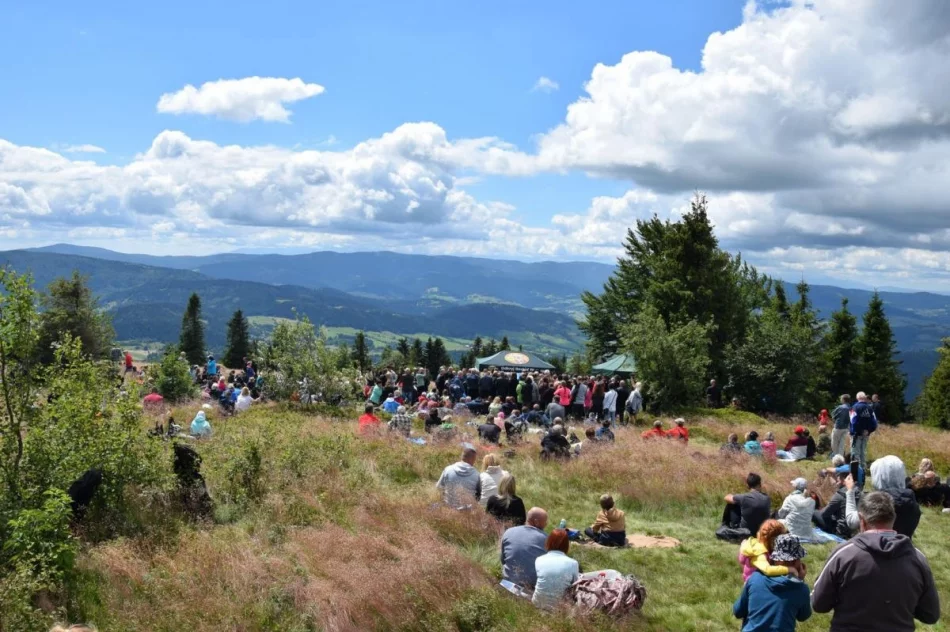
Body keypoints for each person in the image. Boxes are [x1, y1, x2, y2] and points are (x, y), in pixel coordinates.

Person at [812, 491, 940, 631]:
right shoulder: (917, 558)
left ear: (862, 520)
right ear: (893, 518)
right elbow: (930, 615)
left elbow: (819, 604)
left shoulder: (843, 554)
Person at [734, 534, 812, 632]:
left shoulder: (755, 578)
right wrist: (800, 581)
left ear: (775, 558)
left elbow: (738, 611)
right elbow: (803, 616)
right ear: (796, 561)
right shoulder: (801, 589)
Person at [866, 455, 921, 539]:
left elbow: (853, 522)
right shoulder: (911, 501)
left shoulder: (879, 503)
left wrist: (850, 493)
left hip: (877, 546)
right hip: (902, 546)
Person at [500, 507, 548, 589]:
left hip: (507, 584)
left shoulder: (509, 532)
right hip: (531, 588)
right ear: (536, 522)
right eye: (545, 521)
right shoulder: (547, 539)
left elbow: (503, 560)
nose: (546, 524)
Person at [532, 529, 580, 610]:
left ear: (548, 542)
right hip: (561, 606)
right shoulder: (573, 563)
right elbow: (576, 585)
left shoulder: (539, 559)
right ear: (566, 545)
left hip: (538, 603)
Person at [813, 467, 861, 540]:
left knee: (815, 513)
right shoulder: (859, 492)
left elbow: (824, 513)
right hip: (855, 529)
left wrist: (822, 509)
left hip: (841, 531)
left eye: (838, 479)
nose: (836, 482)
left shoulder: (840, 495)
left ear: (844, 480)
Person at [724, 473, 771, 537]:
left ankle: (732, 526)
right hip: (762, 530)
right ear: (760, 484)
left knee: (732, 504)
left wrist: (736, 501)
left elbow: (726, 497)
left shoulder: (744, 497)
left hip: (746, 531)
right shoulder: (767, 498)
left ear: (748, 486)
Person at [435, 445, 482, 510]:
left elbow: (438, 487)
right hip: (468, 512)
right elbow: (479, 495)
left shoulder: (448, 469)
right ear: (472, 459)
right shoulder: (477, 474)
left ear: (462, 457)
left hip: (448, 509)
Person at [850, 391, 877, 470]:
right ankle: (863, 469)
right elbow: (874, 422)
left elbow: (853, 421)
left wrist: (859, 430)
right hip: (866, 434)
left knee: (855, 452)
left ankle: (856, 470)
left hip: (856, 434)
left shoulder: (854, 407)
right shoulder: (870, 408)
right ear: (864, 398)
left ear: (857, 398)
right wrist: (869, 430)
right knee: (863, 452)